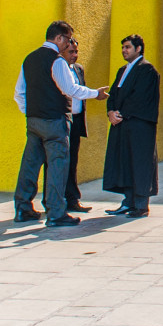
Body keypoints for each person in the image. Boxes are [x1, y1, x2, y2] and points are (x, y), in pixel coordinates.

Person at [13, 21, 106, 228]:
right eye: (68, 39)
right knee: (57, 166)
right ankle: (56, 213)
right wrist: (95, 94)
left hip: (34, 121)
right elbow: (71, 89)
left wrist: (31, 112)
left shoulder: (29, 59)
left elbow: (19, 93)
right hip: (55, 121)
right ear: (59, 38)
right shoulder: (57, 61)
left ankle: (23, 208)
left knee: (30, 164)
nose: (69, 44)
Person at [102, 34, 160, 218]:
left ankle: (141, 205)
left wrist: (122, 114)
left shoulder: (147, 70)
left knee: (140, 164)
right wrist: (111, 112)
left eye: (127, 47)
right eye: (123, 47)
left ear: (138, 49)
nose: (124, 51)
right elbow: (113, 95)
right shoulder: (122, 71)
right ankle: (128, 202)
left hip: (139, 126)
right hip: (122, 125)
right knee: (125, 163)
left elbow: (140, 98)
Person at [61, 37, 90, 214]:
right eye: (71, 51)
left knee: (72, 161)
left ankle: (72, 199)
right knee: (57, 162)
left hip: (76, 121)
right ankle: (53, 199)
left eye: (76, 51)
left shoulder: (79, 69)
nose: (74, 55)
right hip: (62, 121)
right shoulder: (58, 69)